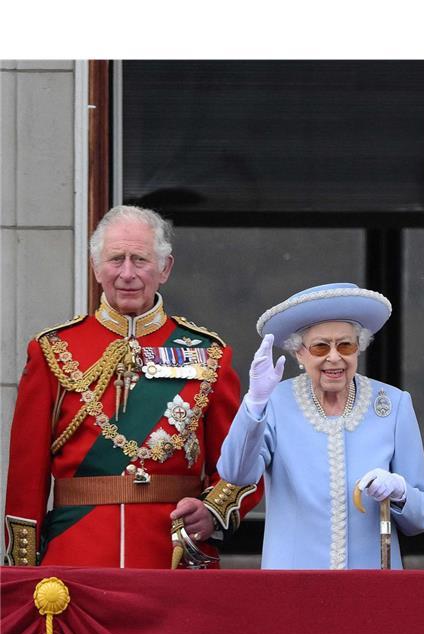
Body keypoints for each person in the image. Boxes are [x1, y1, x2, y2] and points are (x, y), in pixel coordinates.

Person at [3, 205, 259, 569]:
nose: (127, 273)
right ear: (96, 268)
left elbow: (241, 463)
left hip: (173, 557)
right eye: (115, 259)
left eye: (140, 259)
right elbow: (25, 478)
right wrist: (23, 573)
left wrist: (212, 512)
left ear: (164, 268)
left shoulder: (209, 354)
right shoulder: (53, 350)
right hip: (75, 556)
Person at [217, 283, 424, 569]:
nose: (334, 357)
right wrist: (255, 403)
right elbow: (236, 473)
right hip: (295, 585)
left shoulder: (393, 405)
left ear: (358, 348)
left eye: (345, 345)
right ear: (299, 353)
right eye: (321, 346)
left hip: (371, 585)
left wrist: (400, 491)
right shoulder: (275, 403)